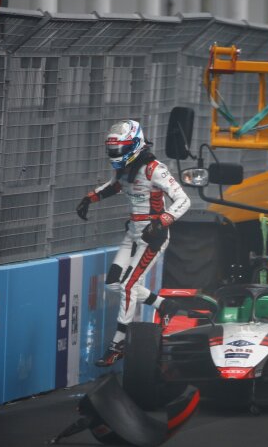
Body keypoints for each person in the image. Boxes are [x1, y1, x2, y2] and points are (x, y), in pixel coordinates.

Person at [76, 120, 190, 366]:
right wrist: (90, 198)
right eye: (112, 150)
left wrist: (163, 220)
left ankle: (118, 344)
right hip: (133, 233)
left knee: (128, 287)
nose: (115, 155)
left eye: (119, 150)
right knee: (112, 284)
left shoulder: (154, 169)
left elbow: (183, 199)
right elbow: (116, 185)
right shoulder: (124, 169)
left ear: (135, 145)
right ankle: (163, 304)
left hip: (153, 237)